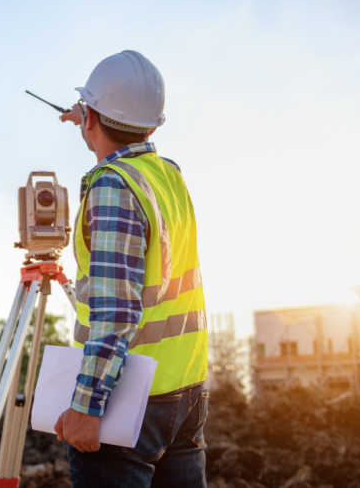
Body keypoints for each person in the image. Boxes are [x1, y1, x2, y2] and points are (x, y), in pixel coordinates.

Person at [54, 50, 208, 488]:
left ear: (92, 118)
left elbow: (116, 311)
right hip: (186, 390)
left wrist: (86, 406)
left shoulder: (111, 186)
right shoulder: (167, 176)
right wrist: (90, 119)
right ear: (155, 124)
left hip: (129, 402)